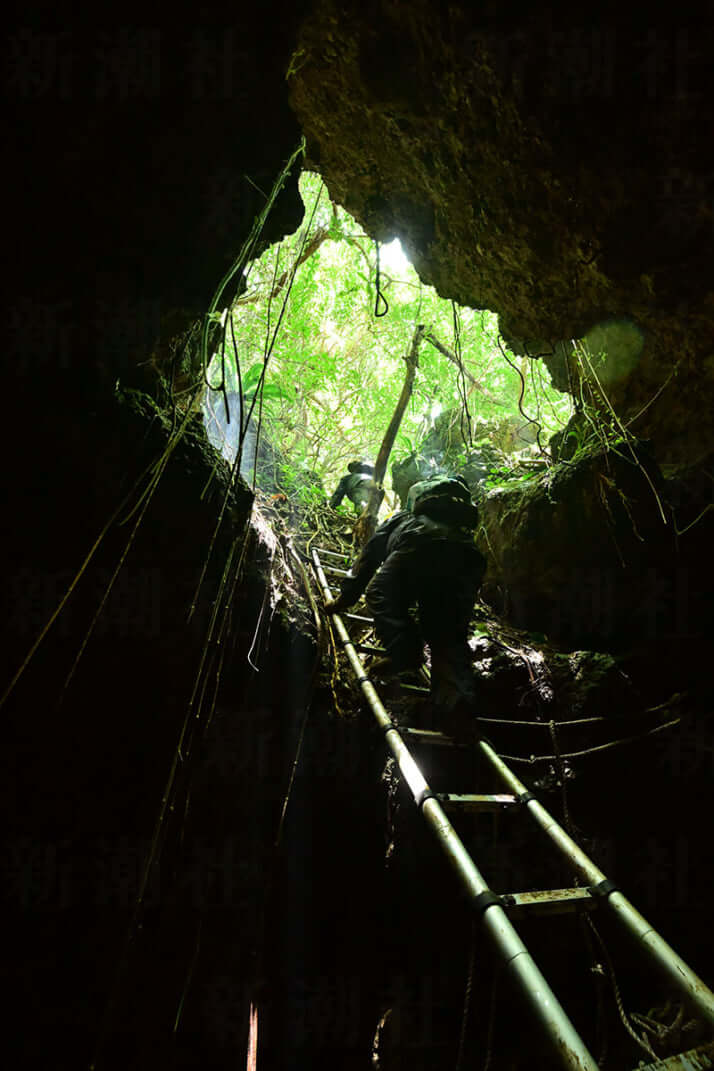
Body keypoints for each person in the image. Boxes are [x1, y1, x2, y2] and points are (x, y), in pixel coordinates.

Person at [324, 476, 486, 722]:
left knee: (380, 593)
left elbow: (369, 558)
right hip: (468, 558)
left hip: (419, 546)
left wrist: (345, 599)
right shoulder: (461, 529)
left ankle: (405, 650)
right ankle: (457, 711)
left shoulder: (401, 518)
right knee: (449, 635)